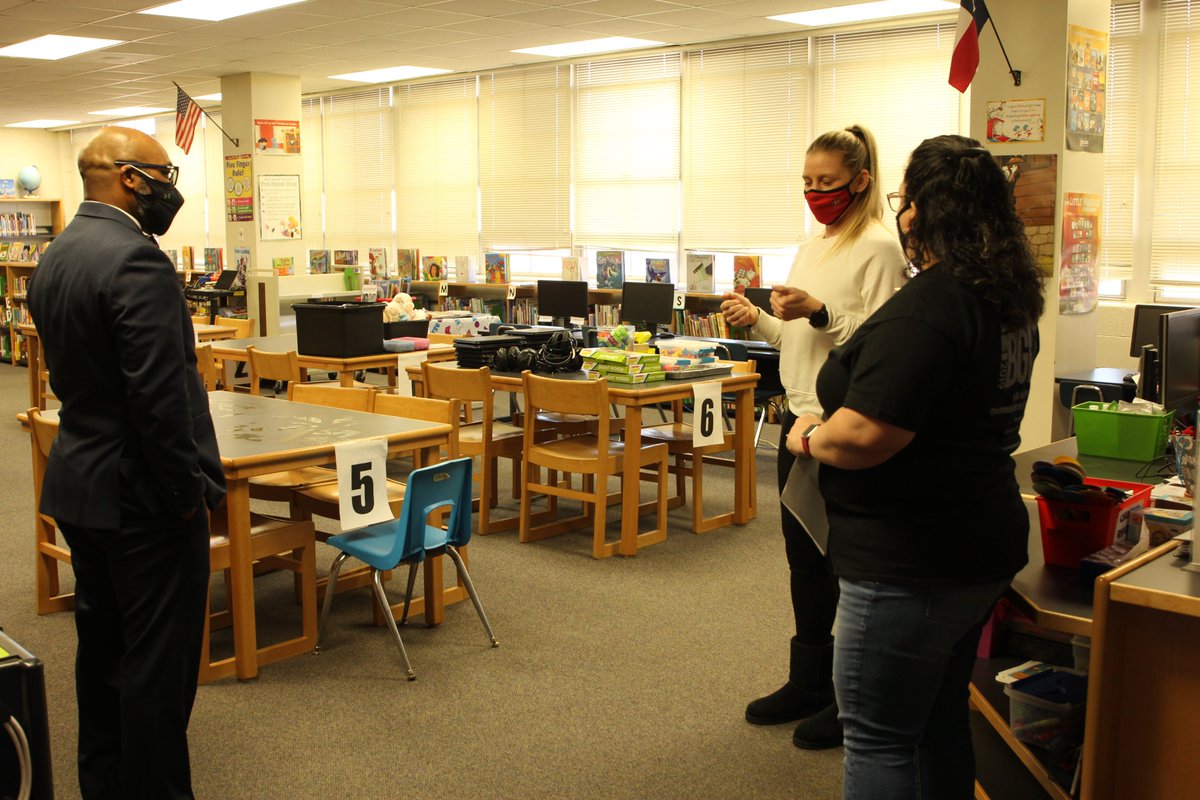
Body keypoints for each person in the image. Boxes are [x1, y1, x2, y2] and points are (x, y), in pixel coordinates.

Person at [786, 134, 1044, 798]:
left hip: (911, 560)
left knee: (878, 737)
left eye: (908, 199)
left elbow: (866, 434)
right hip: (976, 543)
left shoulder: (933, 307)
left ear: (927, 210)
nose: (903, 217)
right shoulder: (1006, 299)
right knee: (935, 720)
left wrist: (811, 438)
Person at [28, 126, 225, 799]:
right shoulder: (136, 260)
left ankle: (104, 785)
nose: (170, 186)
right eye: (163, 173)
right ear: (127, 177)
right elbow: (160, 400)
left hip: (83, 484)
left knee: (105, 653)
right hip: (142, 498)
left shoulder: (58, 254)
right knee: (157, 668)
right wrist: (183, 496)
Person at [720, 124, 905, 749]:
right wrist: (764, 322)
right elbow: (801, 340)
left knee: (843, 566)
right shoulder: (811, 244)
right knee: (804, 562)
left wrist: (821, 313)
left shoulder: (880, 247)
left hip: (841, 426)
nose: (815, 193)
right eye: (807, 182)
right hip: (798, 420)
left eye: (826, 183)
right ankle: (808, 682)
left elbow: (886, 349)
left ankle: (845, 697)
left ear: (861, 182)